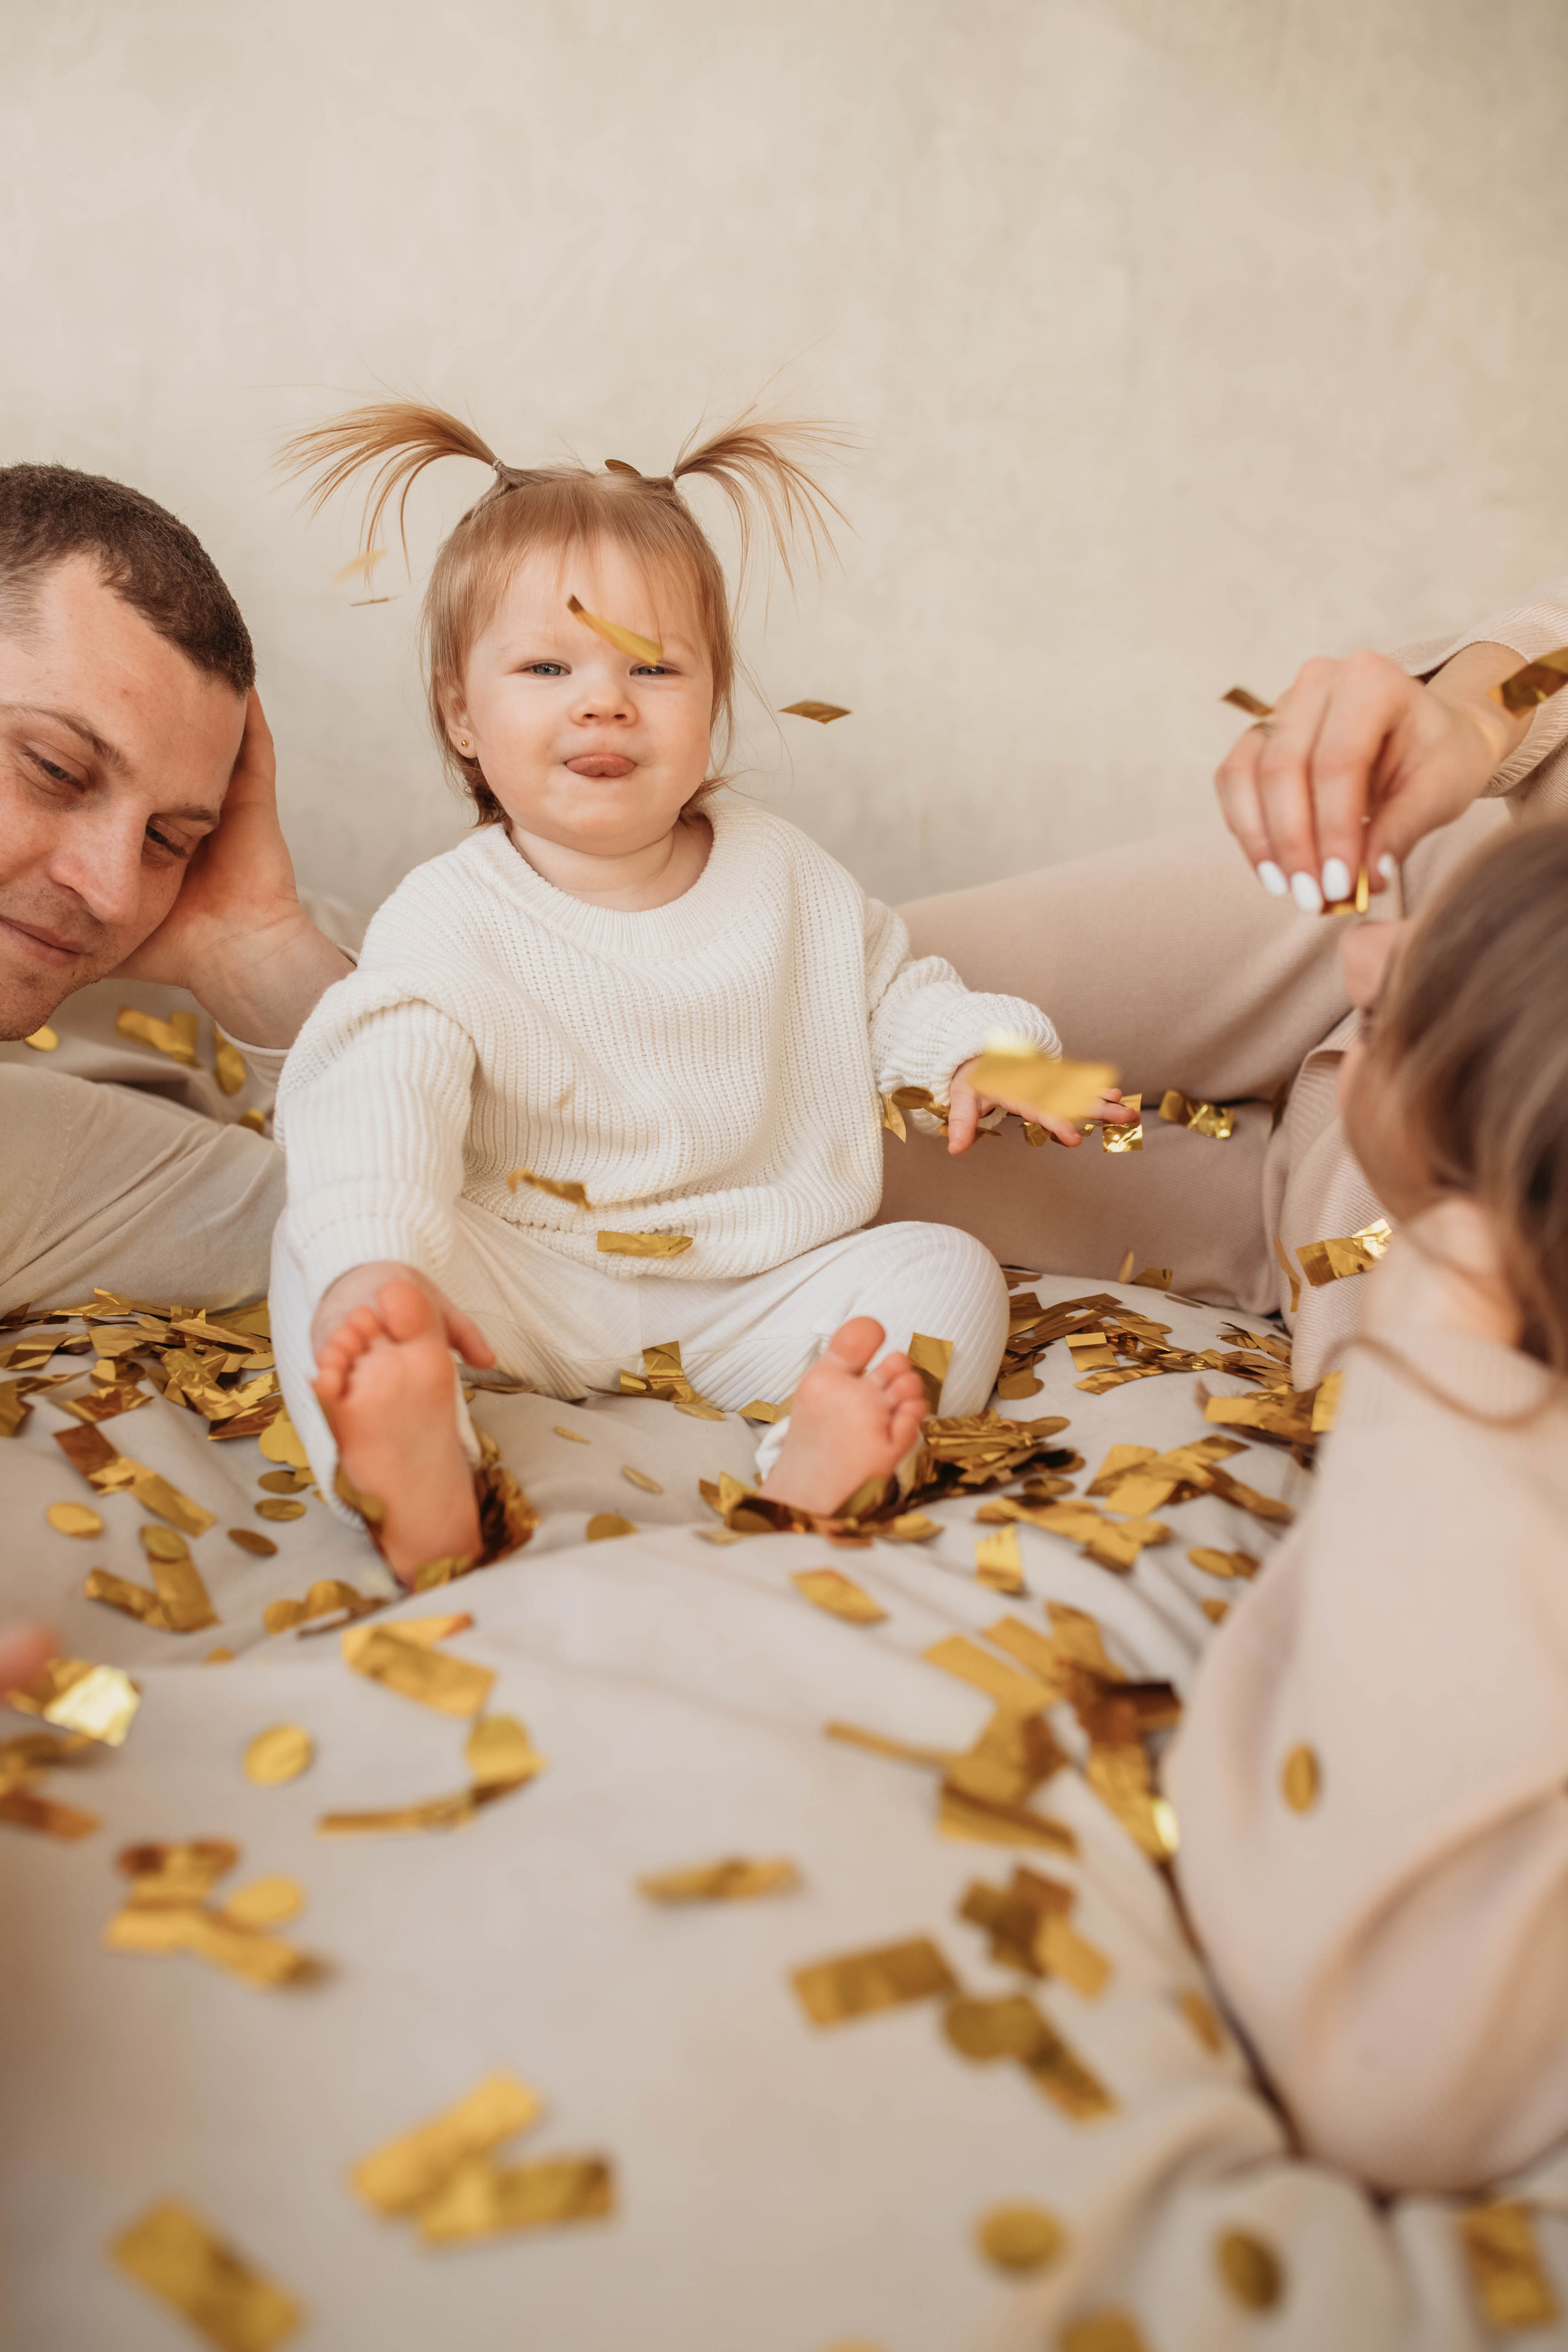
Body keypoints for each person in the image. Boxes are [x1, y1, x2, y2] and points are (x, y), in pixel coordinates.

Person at [268, 400, 1132, 1581]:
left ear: (714, 698)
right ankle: (406, 1465)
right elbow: (382, 1088)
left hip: (747, 1288)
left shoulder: (784, 874)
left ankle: (830, 1455)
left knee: (946, 1270)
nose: (604, 699)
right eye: (547, 665)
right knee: (324, 1259)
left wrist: (1000, 1056)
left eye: (655, 667)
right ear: (462, 713)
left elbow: (893, 991)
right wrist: (375, 1260)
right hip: (523, 1280)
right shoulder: (449, 912)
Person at [1169, 815, 1568, 2192]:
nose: (1361, 960)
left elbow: (1390, 2074)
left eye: (1400, 999)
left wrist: (1432, 1310)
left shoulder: (1453, 1302)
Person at [0, 460, 355, 1665]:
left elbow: (429, 1232)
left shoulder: (32, 1151)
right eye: (52, 769)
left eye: (169, 840)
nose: (108, 888)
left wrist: (255, 952)